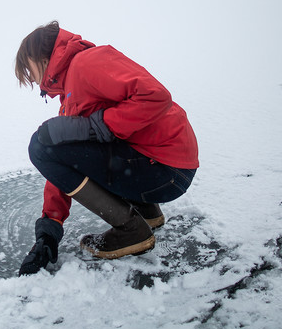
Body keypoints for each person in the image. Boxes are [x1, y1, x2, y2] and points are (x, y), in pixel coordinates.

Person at [15, 21, 199, 276]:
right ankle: (147, 212)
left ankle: (130, 230)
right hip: (163, 171)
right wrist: (48, 231)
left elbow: (156, 96)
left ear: (39, 58)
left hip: (166, 169)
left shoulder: (86, 63)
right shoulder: (71, 91)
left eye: (28, 69)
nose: (31, 79)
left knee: (40, 146)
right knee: (52, 144)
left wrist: (93, 127)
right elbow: (64, 164)